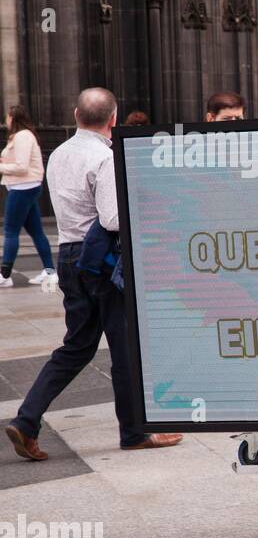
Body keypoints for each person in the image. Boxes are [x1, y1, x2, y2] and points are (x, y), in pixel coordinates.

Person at [4, 88, 183, 461]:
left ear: (75, 114)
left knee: (76, 346)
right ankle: (134, 433)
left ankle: (26, 420)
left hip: (69, 256)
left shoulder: (60, 154)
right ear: (113, 119)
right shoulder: (105, 158)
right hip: (100, 261)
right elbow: (112, 219)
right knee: (124, 346)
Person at [0, 105, 56, 287]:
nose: (6, 121)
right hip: (25, 186)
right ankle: (49, 271)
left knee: (10, 231)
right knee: (36, 231)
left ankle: (5, 275)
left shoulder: (23, 136)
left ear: (13, 118)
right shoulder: (22, 136)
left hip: (23, 188)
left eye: (8, 117)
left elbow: (22, 166)